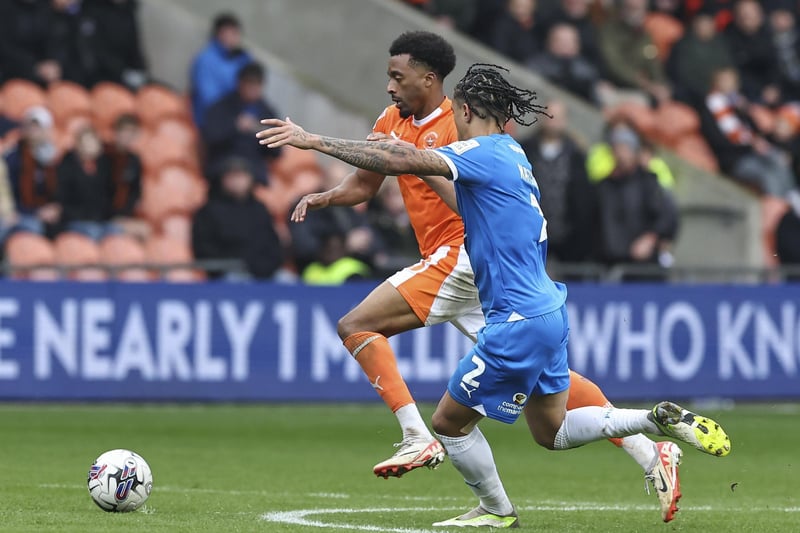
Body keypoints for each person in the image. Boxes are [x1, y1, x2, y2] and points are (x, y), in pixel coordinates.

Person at [257, 63, 731, 529]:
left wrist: (315, 141)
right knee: (553, 432)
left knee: (447, 424)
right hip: (549, 310)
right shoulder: (514, 157)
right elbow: (462, 199)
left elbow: (401, 162)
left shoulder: (480, 153)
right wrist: (409, 158)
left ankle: (494, 510)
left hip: (516, 320)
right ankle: (652, 421)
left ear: (465, 110)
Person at [191, 157, 284, 280]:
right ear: (222, 179)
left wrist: (265, 266)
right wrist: (237, 264)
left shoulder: (260, 209)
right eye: (232, 176)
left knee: (288, 281)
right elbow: (204, 249)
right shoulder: (208, 212)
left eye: (241, 176)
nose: (237, 181)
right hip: (229, 272)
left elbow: (273, 244)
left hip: (265, 272)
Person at [202, 62, 282, 184]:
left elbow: (277, 152)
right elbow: (210, 137)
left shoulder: (267, 113)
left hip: (254, 174)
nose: (252, 89)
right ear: (240, 83)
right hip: (222, 170)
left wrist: (261, 132)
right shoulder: (221, 107)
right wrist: (235, 126)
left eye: (257, 84)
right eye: (249, 83)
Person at [4, 106, 61, 237]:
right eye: (30, 126)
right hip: (21, 213)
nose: (33, 131)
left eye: (38, 127)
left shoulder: (55, 159)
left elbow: (62, 191)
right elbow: (8, 191)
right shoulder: (13, 158)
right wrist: (33, 212)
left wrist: (55, 208)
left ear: (47, 130)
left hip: (48, 213)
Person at [57, 126, 120, 240]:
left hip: (100, 220)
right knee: (92, 232)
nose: (89, 146)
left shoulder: (105, 166)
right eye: (85, 142)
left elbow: (110, 196)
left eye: (92, 141)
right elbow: (64, 199)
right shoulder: (67, 166)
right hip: (75, 220)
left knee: (115, 233)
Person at [190, 12, 253, 127]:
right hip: (214, 120)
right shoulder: (206, 60)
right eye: (232, 33)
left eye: (237, 33)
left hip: (240, 118)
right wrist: (235, 118)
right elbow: (209, 99)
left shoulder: (243, 58)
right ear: (220, 33)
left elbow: (253, 93)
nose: (236, 38)